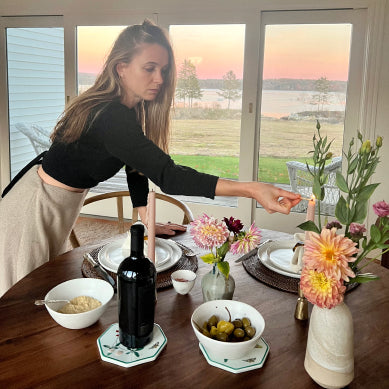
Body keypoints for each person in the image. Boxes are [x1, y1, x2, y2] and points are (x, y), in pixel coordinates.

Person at [0, 20, 301, 297]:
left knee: (45, 291)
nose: (159, 78)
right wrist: (251, 189)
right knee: (23, 301)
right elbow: (168, 175)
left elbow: (136, 168)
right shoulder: (112, 115)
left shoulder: (126, 110)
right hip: (35, 207)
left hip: (56, 204)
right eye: (150, 68)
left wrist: (146, 217)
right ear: (121, 67)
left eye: (164, 70)